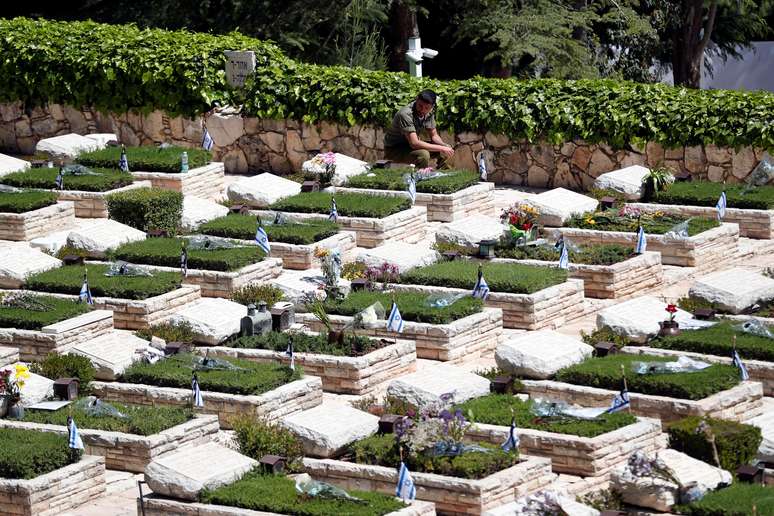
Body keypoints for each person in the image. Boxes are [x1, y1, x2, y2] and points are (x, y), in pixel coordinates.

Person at [383, 89, 455, 169]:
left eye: (427, 108)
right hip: (394, 149)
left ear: (432, 106)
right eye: (420, 106)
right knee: (423, 154)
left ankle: (445, 173)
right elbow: (414, 143)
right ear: (416, 99)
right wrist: (442, 148)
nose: (423, 110)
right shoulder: (405, 114)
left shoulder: (429, 112)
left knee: (442, 150)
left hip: (409, 146)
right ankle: (421, 175)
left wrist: (444, 145)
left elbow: (434, 135)